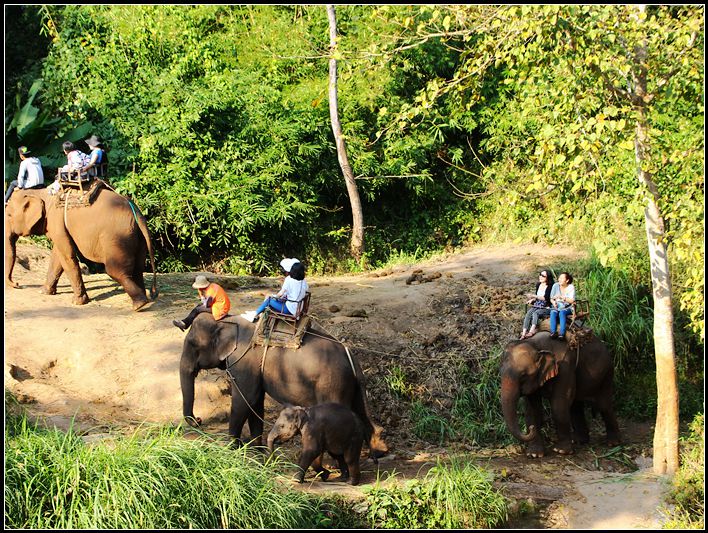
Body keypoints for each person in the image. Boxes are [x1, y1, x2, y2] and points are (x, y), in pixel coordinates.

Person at [245, 258, 308, 323]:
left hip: (289, 309)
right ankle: (256, 312)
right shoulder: (304, 281)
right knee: (274, 298)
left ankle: (255, 314)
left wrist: (274, 297)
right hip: (299, 308)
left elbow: (280, 294)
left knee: (269, 300)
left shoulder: (289, 280)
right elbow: (305, 290)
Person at [520, 269, 555, 339]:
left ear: (548, 277)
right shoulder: (538, 284)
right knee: (528, 313)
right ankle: (524, 333)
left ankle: (531, 331)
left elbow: (546, 298)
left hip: (546, 306)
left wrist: (534, 296)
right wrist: (532, 299)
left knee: (535, 313)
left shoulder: (550, 286)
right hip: (538, 304)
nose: (540, 277)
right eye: (540, 275)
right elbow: (537, 296)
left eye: (543, 276)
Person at [549, 272, 576, 340]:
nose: (559, 279)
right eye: (559, 278)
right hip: (557, 305)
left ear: (567, 280)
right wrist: (554, 302)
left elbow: (572, 301)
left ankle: (562, 334)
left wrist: (562, 297)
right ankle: (553, 332)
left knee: (562, 312)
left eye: (562, 278)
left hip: (568, 307)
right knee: (553, 312)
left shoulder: (571, 287)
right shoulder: (555, 285)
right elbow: (551, 298)